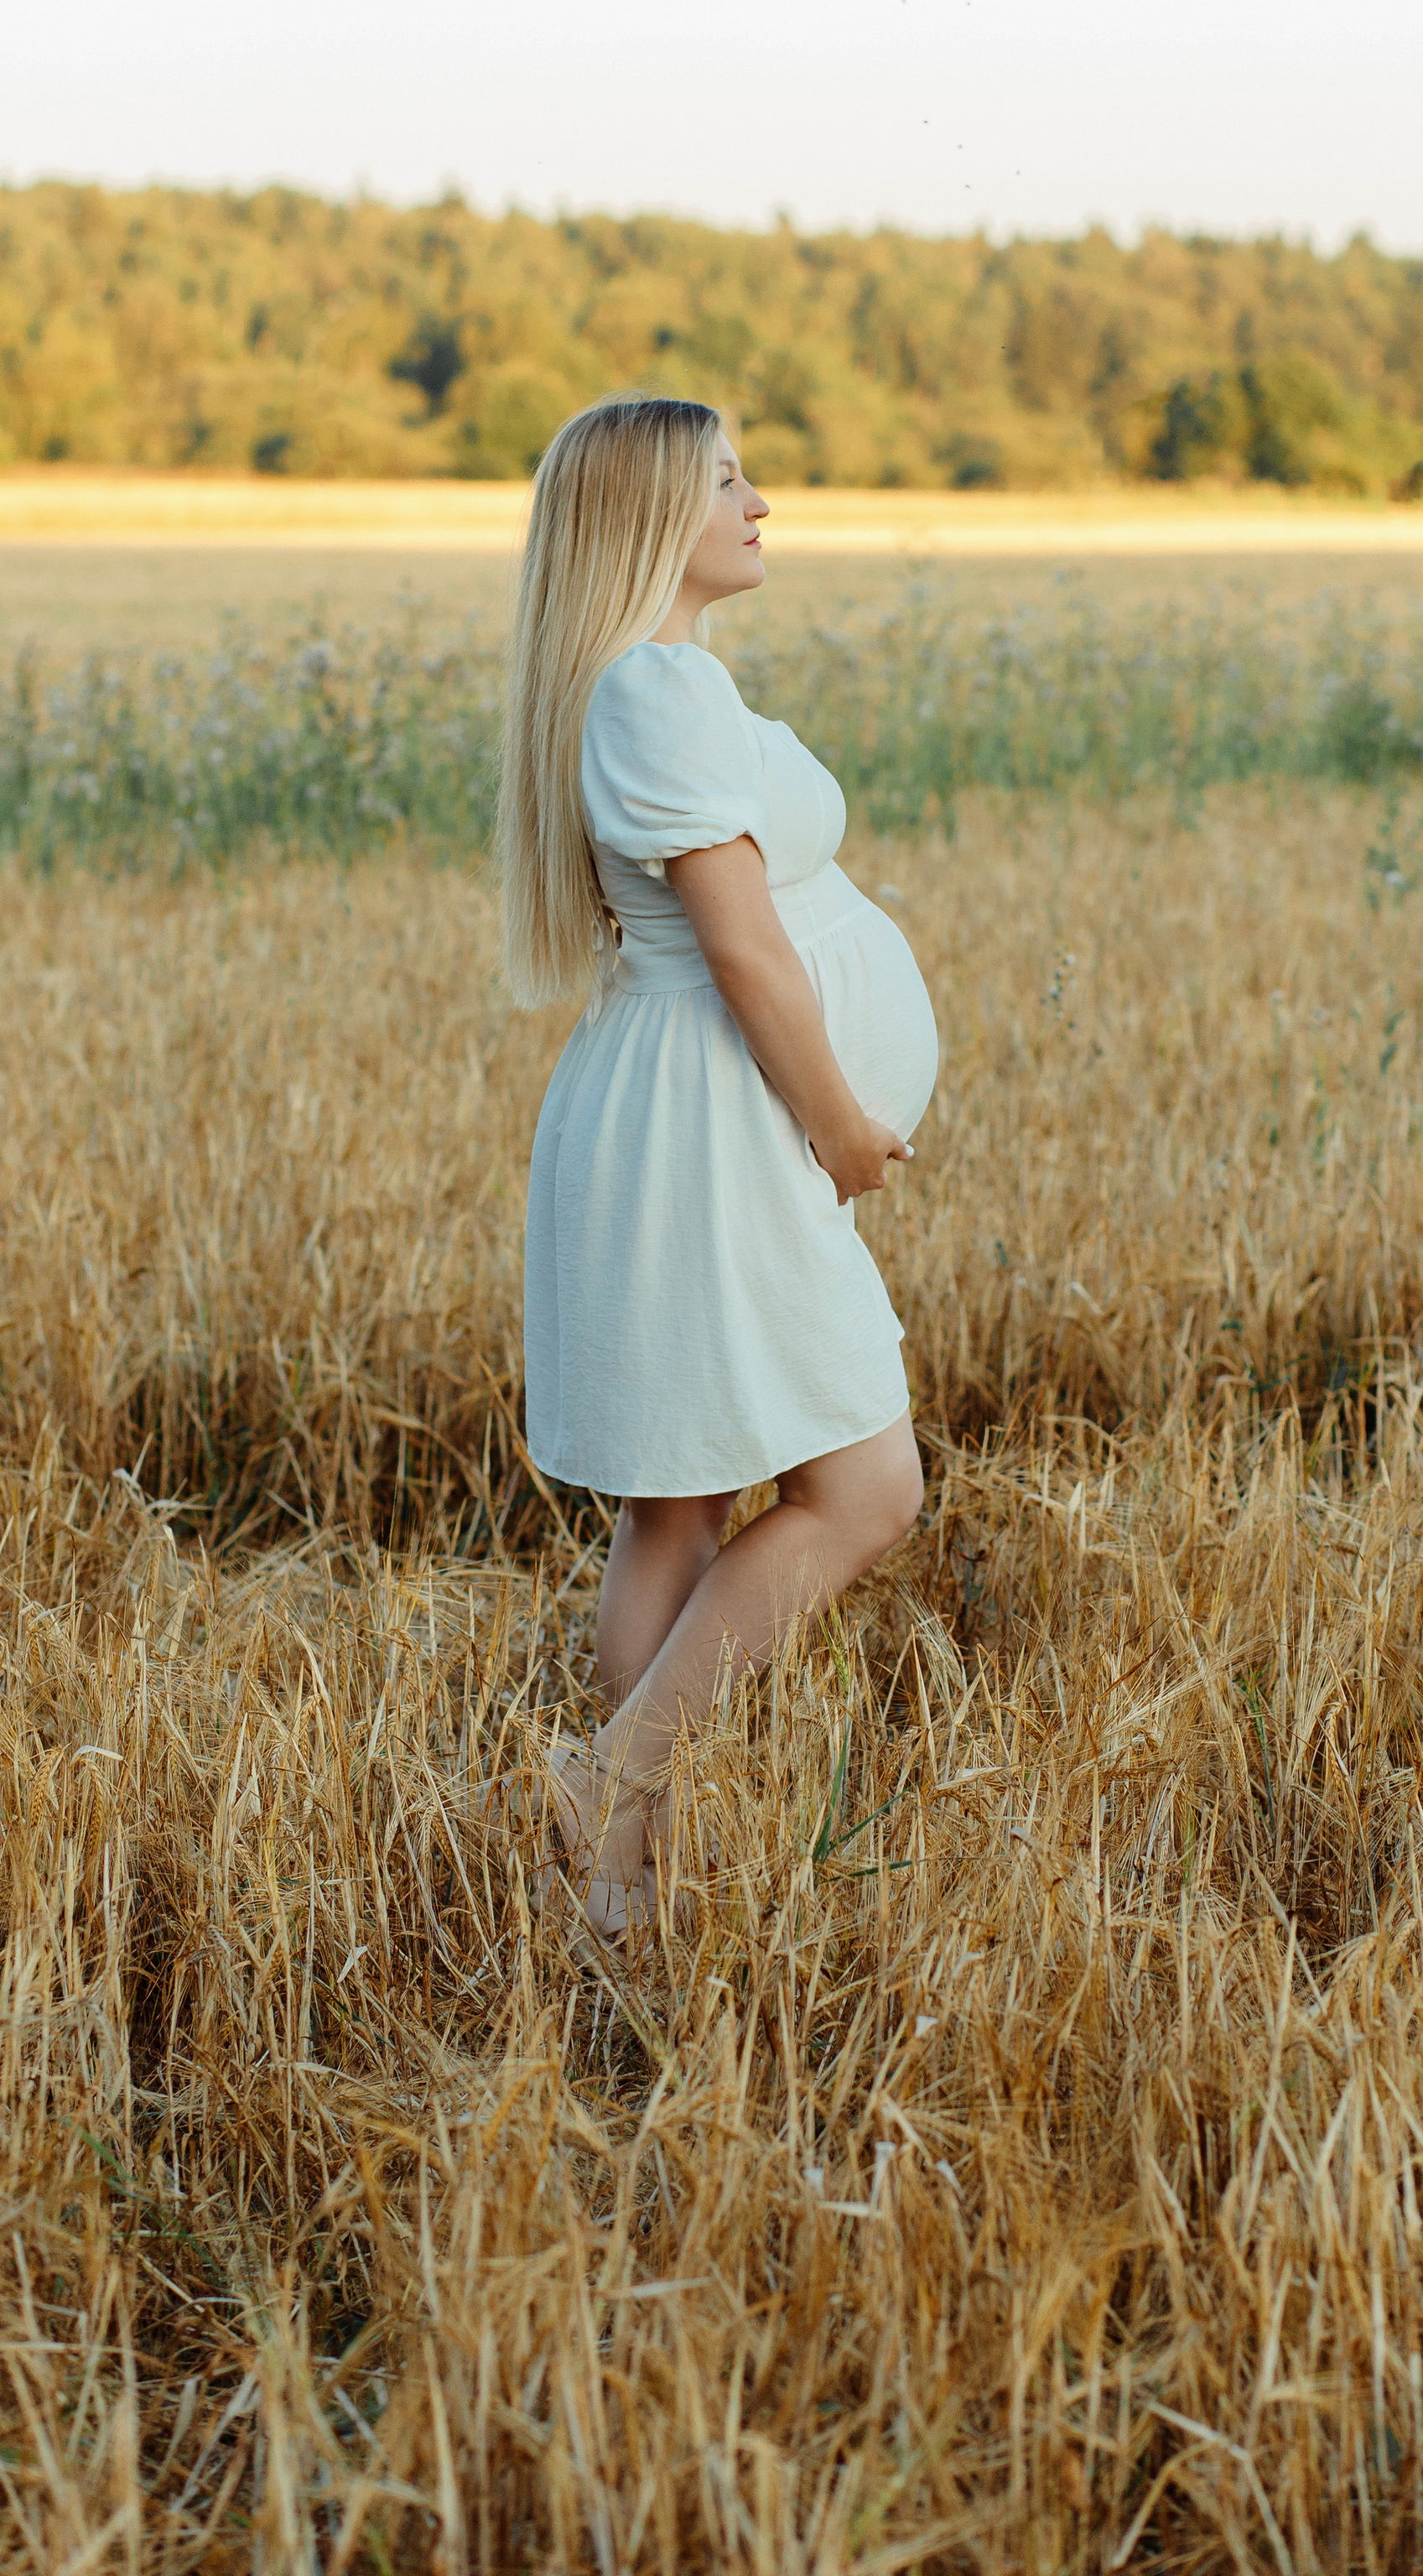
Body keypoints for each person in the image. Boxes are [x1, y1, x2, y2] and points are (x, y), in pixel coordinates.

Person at [496, 393, 940, 1939]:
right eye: (726, 479)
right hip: (715, 1128)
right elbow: (745, 950)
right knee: (867, 1488)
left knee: (678, 1507)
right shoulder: (659, 692)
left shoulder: (653, 683)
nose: (760, 503)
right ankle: (611, 1787)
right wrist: (840, 1124)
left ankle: (618, 1884)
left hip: (687, 1113)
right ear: (644, 516)